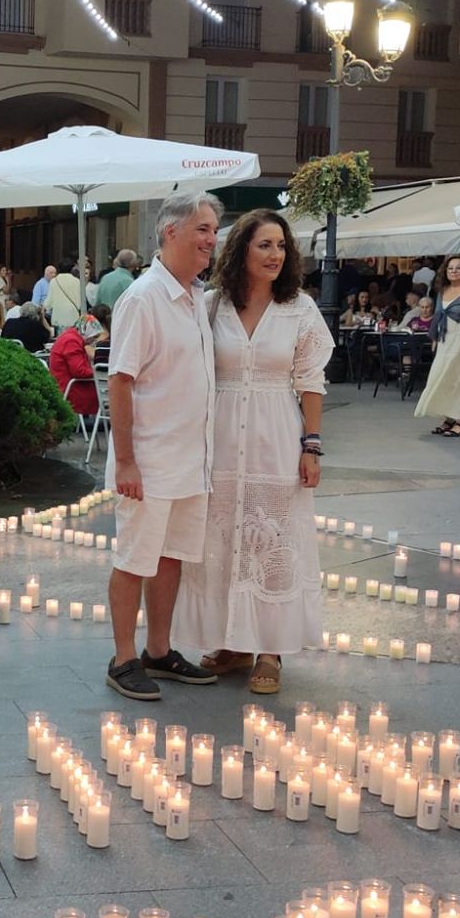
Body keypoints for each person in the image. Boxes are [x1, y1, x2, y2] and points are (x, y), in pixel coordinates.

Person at [177, 209, 331, 696]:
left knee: (273, 542)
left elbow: (310, 382)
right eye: (264, 245)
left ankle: (270, 650)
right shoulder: (211, 304)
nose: (274, 255)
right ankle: (234, 643)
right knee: (221, 543)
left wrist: (312, 446)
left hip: (276, 437)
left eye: (281, 247)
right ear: (241, 249)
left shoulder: (300, 309)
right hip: (219, 437)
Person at [105, 193, 222, 701]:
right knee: (135, 558)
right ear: (169, 233)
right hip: (148, 461)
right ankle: (123, 658)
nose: (211, 240)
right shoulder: (143, 297)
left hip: (189, 460)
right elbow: (120, 381)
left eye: (214, 231)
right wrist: (127, 459)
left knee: (171, 557)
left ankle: (158, 650)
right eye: (201, 229)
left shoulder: (196, 295)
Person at [413, 255, 460, 438]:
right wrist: (434, 337)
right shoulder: (443, 289)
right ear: (445, 271)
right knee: (442, 376)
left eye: (458, 268)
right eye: (450, 268)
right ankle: (449, 418)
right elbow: (438, 314)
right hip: (447, 337)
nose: (454, 271)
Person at [48, 313, 106, 418]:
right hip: (72, 388)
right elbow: (79, 371)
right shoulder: (71, 341)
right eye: (94, 336)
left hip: (65, 385)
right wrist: (100, 373)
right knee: (110, 393)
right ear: (87, 331)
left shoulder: (70, 337)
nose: (94, 340)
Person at [46, 263, 86, 331]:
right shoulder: (76, 281)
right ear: (71, 269)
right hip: (73, 316)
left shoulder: (54, 281)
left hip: (58, 316)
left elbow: (49, 302)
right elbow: (80, 302)